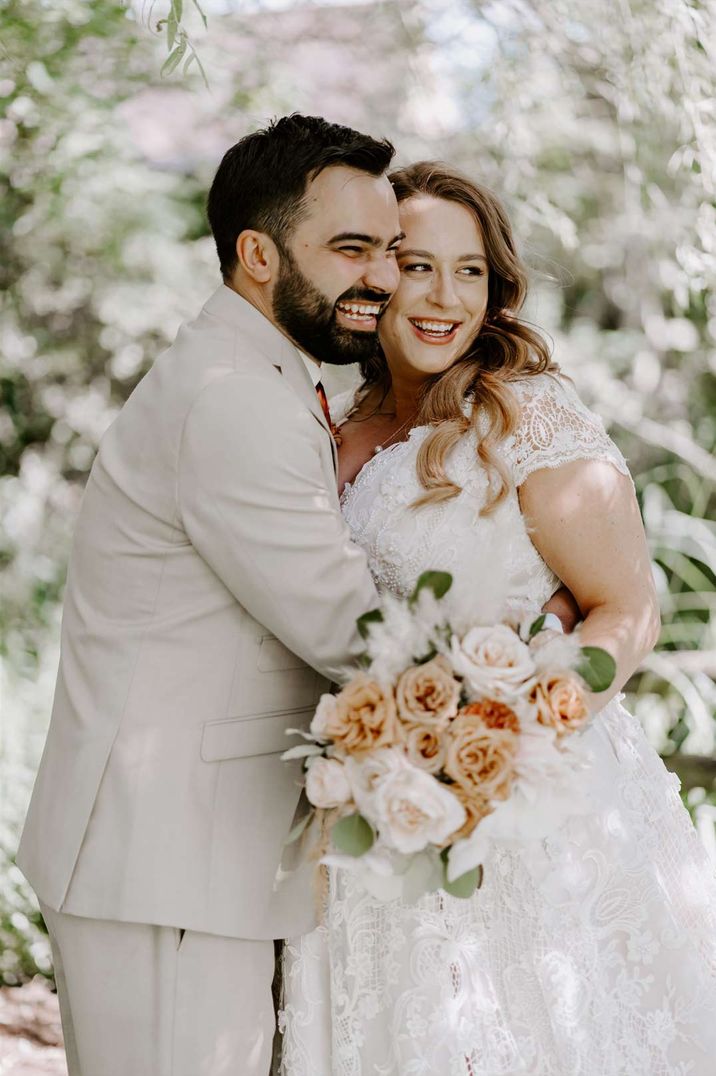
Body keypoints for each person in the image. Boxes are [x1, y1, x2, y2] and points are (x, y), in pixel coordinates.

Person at [279, 162, 716, 1075]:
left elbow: (626, 610)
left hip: (532, 809)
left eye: (469, 270)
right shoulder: (334, 429)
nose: (445, 297)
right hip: (374, 812)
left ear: (496, 283)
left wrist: (503, 739)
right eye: (415, 264)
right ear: (372, 277)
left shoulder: (527, 419)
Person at [15, 114, 404, 1076]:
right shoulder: (234, 394)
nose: (385, 280)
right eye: (351, 249)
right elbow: (353, 630)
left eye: (391, 249)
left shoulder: (265, 375)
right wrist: (536, 647)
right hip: (166, 861)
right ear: (258, 254)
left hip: (192, 852)